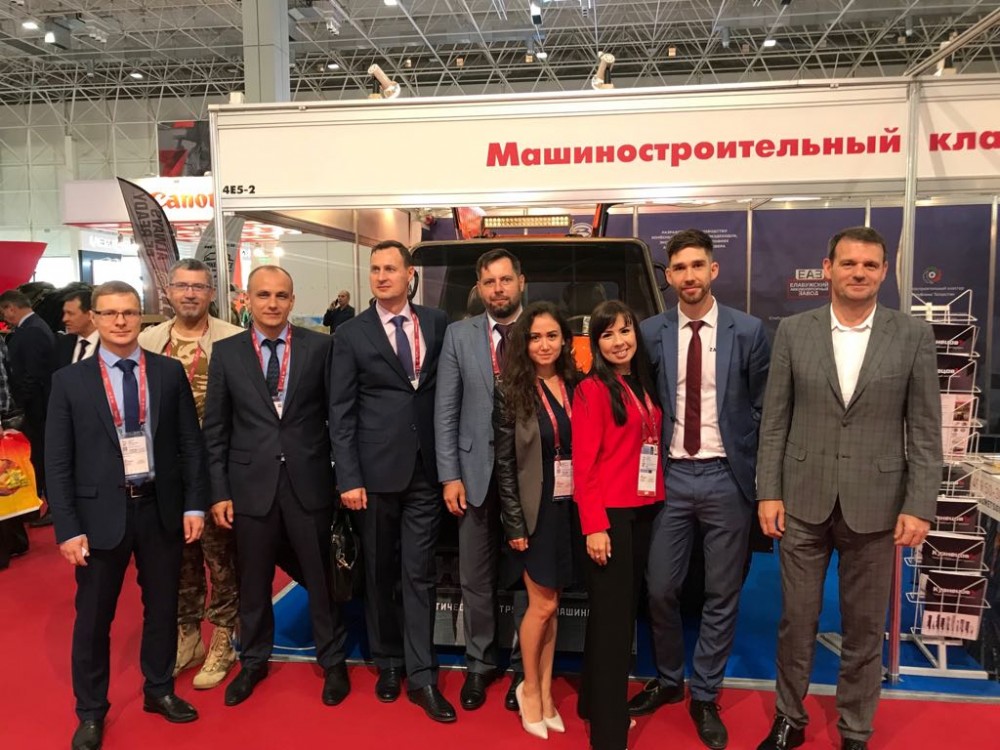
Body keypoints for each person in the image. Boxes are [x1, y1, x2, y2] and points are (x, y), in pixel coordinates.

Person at [755, 226, 942, 750]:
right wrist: (768, 491)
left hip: (877, 505)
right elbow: (775, 420)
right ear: (828, 268)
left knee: (863, 627)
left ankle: (856, 729)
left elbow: (925, 429)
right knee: (797, 621)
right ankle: (789, 719)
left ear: (883, 272)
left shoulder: (912, 336)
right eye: (849, 263)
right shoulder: (795, 331)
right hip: (802, 500)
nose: (859, 273)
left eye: (869, 265)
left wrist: (920, 504)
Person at [44, 280, 208, 750]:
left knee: (163, 608)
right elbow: (57, 460)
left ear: (142, 317)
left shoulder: (168, 372)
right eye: (110, 313)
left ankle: (159, 688)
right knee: (94, 618)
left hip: (160, 508)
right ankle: (91, 710)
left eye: (129, 312)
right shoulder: (69, 381)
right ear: (95, 319)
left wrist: (193, 503)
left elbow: (190, 444)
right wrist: (67, 528)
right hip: (99, 516)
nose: (120, 321)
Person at [632, 229, 771, 749]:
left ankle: (706, 693)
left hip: (726, 477)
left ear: (713, 269)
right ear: (668, 276)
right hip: (670, 477)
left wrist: (759, 475)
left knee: (721, 591)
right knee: (660, 589)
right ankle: (670, 679)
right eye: (679, 268)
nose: (688, 276)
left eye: (697, 266)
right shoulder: (650, 333)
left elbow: (764, 406)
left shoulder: (749, 330)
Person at [202, 265, 350, 708]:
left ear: (292, 300)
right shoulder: (226, 353)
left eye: (281, 295)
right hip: (250, 485)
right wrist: (219, 491)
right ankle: (253, 661)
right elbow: (216, 430)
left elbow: (338, 417)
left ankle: (333, 660)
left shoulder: (320, 347)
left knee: (320, 578)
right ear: (247, 300)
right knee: (253, 580)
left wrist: (343, 477)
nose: (272, 303)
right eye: (263, 295)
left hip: (309, 481)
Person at [329, 240, 453, 723]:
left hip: (426, 471)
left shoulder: (437, 323)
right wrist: (348, 476)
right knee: (379, 572)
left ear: (409, 275)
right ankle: (388, 662)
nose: (381, 276)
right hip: (374, 475)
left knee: (418, 573)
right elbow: (341, 412)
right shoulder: (350, 334)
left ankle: (422, 676)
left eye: (390, 269)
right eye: (375, 269)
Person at [139, 258, 244, 690]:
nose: (189, 294)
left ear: (211, 293)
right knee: (177, 560)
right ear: (168, 291)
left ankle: (224, 636)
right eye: (182, 286)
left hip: (216, 469)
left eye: (198, 287)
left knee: (221, 559)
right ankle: (188, 636)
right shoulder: (147, 341)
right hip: (166, 474)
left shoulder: (232, 339)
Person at [435, 247, 527, 711]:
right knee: (476, 577)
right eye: (489, 282)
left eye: (505, 280)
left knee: (530, 578)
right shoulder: (459, 335)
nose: (498, 289)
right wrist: (449, 475)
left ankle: (525, 668)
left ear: (521, 282)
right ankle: (479, 662)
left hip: (530, 476)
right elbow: (446, 410)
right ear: (479, 288)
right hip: (474, 475)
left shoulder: (542, 329)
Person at [573, 300, 664, 750]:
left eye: (625, 331)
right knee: (613, 625)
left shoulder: (642, 382)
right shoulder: (591, 390)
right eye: (607, 334)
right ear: (596, 343)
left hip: (642, 511)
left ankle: (592, 701)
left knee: (615, 615)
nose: (618, 341)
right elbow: (584, 463)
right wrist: (594, 525)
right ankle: (609, 732)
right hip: (608, 517)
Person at [493, 302, 578, 740]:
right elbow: (505, 465)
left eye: (551, 336)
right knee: (540, 605)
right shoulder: (511, 391)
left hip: (570, 507)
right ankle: (528, 689)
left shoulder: (577, 385)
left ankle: (545, 692)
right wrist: (514, 524)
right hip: (534, 511)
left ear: (564, 340)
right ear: (524, 344)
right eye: (535, 337)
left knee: (552, 606)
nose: (544, 345)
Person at [0, 289, 55, 542]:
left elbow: (32, 374)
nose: (4, 318)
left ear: (11, 308)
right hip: (34, 408)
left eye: (4, 311)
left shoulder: (32, 330)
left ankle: (42, 506)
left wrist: (20, 404)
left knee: (38, 458)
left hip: (36, 409)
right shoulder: (32, 327)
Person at [55, 289, 99, 369]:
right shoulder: (64, 343)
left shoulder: (110, 345)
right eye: (64, 313)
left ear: (90, 315)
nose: (64, 319)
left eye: (70, 313)